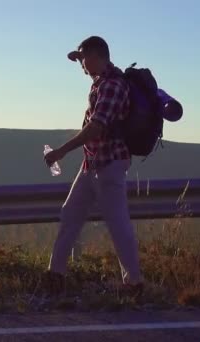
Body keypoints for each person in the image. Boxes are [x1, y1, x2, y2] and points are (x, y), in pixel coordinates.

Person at [43, 36, 144, 298]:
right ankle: (55, 276)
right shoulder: (102, 80)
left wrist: (61, 152)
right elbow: (95, 127)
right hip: (93, 163)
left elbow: (96, 127)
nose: (83, 67)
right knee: (70, 214)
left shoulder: (112, 86)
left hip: (109, 163)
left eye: (85, 60)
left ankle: (133, 283)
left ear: (99, 56)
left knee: (117, 223)